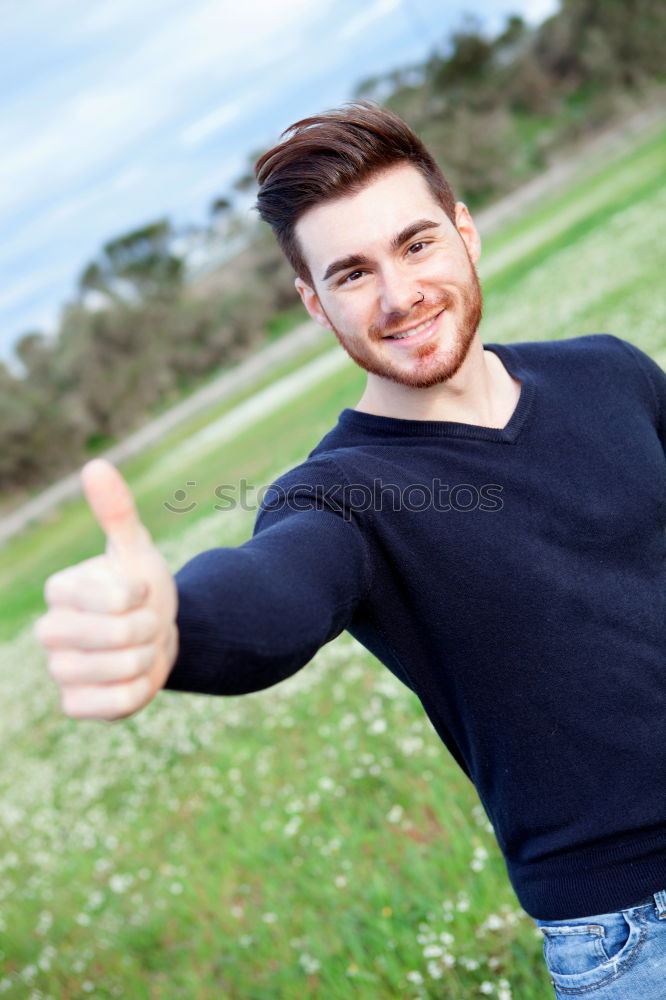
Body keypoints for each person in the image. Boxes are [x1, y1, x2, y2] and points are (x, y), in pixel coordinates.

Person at [34, 102, 666, 997]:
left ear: (464, 233)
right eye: (352, 273)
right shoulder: (340, 497)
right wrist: (174, 624)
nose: (398, 295)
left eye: (415, 246)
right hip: (638, 930)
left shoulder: (611, 373)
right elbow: (274, 590)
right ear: (315, 303)